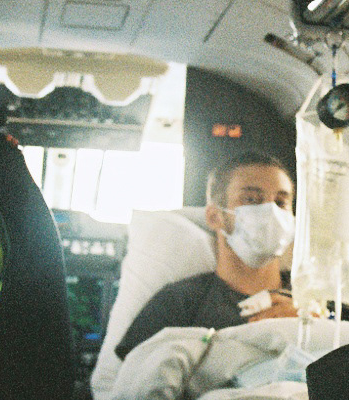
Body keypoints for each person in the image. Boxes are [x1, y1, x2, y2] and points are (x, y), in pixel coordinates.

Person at [112, 151, 301, 360]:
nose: (271, 212)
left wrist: (310, 326)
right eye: (251, 199)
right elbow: (136, 374)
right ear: (214, 217)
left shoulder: (310, 301)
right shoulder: (179, 304)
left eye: (281, 202)